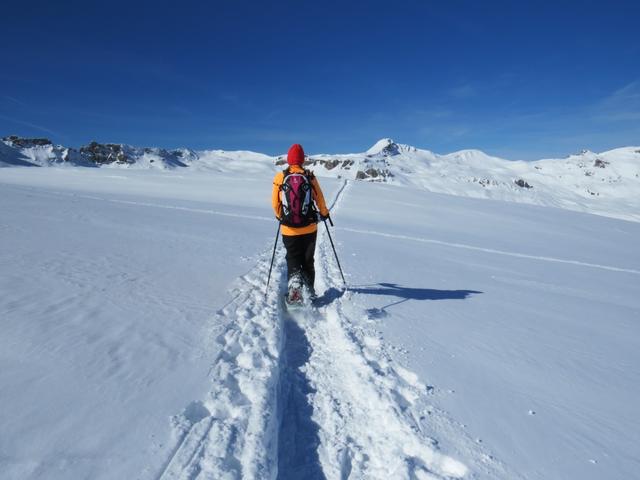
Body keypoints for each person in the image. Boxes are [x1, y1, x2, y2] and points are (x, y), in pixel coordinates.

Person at [272, 143, 330, 301]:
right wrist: (324, 213)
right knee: (308, 259)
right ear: (303, 160)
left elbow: (275, 203)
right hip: (309, 227)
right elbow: (319, 198)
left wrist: (280, 216)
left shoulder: (280, 177)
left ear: (289, 160)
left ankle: (295, 286)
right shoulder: (309, 176)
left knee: (292, 256)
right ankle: (310, 291)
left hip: (288, 228)